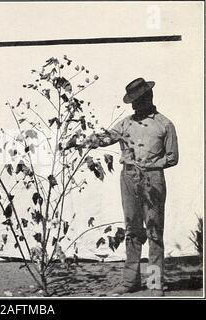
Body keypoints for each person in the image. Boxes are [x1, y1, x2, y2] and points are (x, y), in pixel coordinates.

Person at [87, 78, 179, 296]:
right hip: (128, 178)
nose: (134, 106)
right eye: (133, 101)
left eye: (138, 100)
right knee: (132, 230)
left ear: (149, 98)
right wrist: (85, 139)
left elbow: (173, 157)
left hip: (153, 179)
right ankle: (130, 282)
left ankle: (156, 283)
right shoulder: (126, 123)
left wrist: (151, 164)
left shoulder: (165, 124)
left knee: (155, 231)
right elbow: (106, 138)